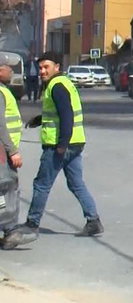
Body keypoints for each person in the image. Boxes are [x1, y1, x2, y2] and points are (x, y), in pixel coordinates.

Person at [3, 52, 102, 249]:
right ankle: (93, 221)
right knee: (75, 183)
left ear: (57, 66)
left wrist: (61, 145)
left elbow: (67, 116)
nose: (42, 71)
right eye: (40, 68)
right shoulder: (62, 83)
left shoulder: (57, 86)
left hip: (60, 145)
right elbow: (60, 112)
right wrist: (39, 120)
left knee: (41, 184)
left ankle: (32, 224)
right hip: (75, 143)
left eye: (46, 67)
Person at [0, 63, 23, 249]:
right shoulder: (1, 92)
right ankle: (11, 231)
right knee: (8, 188)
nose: (12, 73)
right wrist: (12, 150)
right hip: (3, 151)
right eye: (10, 69)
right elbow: (1, 125)